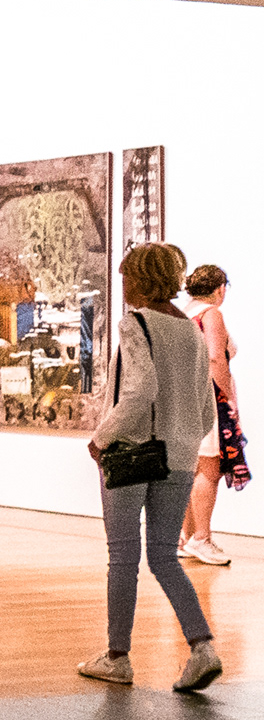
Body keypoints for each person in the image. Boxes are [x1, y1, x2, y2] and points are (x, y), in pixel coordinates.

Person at [79, 242, 221, 691]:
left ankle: (117, 657)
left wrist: (102, 438)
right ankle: (202, 648)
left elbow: (140, 391)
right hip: (179, 458)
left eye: (126, 277)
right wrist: (182, 441)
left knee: (123, 556)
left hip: (133, 453)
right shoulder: (191, 331)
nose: (122, 285)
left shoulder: (136, 323)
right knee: (164, 557)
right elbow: (206, 411)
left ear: (139, 279)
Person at [178, 264, 247, 564]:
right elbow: (216, 358)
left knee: (189, 468)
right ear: (220, 289)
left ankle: (185, 538)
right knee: (209, 467)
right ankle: (201, 538)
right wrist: (228, 398)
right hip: (207, 399)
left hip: (183, 399)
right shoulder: (211, 314)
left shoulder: (183, 314)